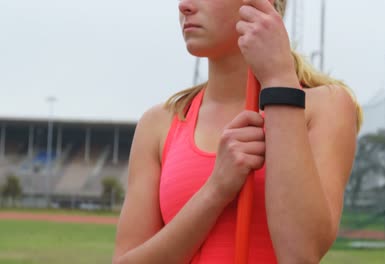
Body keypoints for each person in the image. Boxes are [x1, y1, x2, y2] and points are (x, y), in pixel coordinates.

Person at [113, 0, 363, 263]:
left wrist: (278, 80)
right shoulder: (160, 123)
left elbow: (301, 254)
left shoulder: (325, 106)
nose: (184, 5)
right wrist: (216, 189)